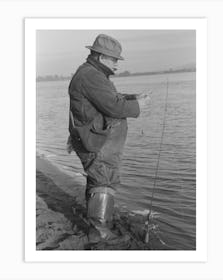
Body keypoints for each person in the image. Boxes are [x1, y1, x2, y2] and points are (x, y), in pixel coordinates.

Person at [68, 34, 150, 243]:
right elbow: (113, 106)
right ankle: (100, 233)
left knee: (99, 179)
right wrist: (138, 106)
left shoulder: (92, 74)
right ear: (102, 56)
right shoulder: (91, 76)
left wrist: (131, 98)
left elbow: (106, 99)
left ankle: (98, 224)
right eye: (114, 59)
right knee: (104, 179)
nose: (116, 63)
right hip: (97, 142)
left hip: (96, 140)